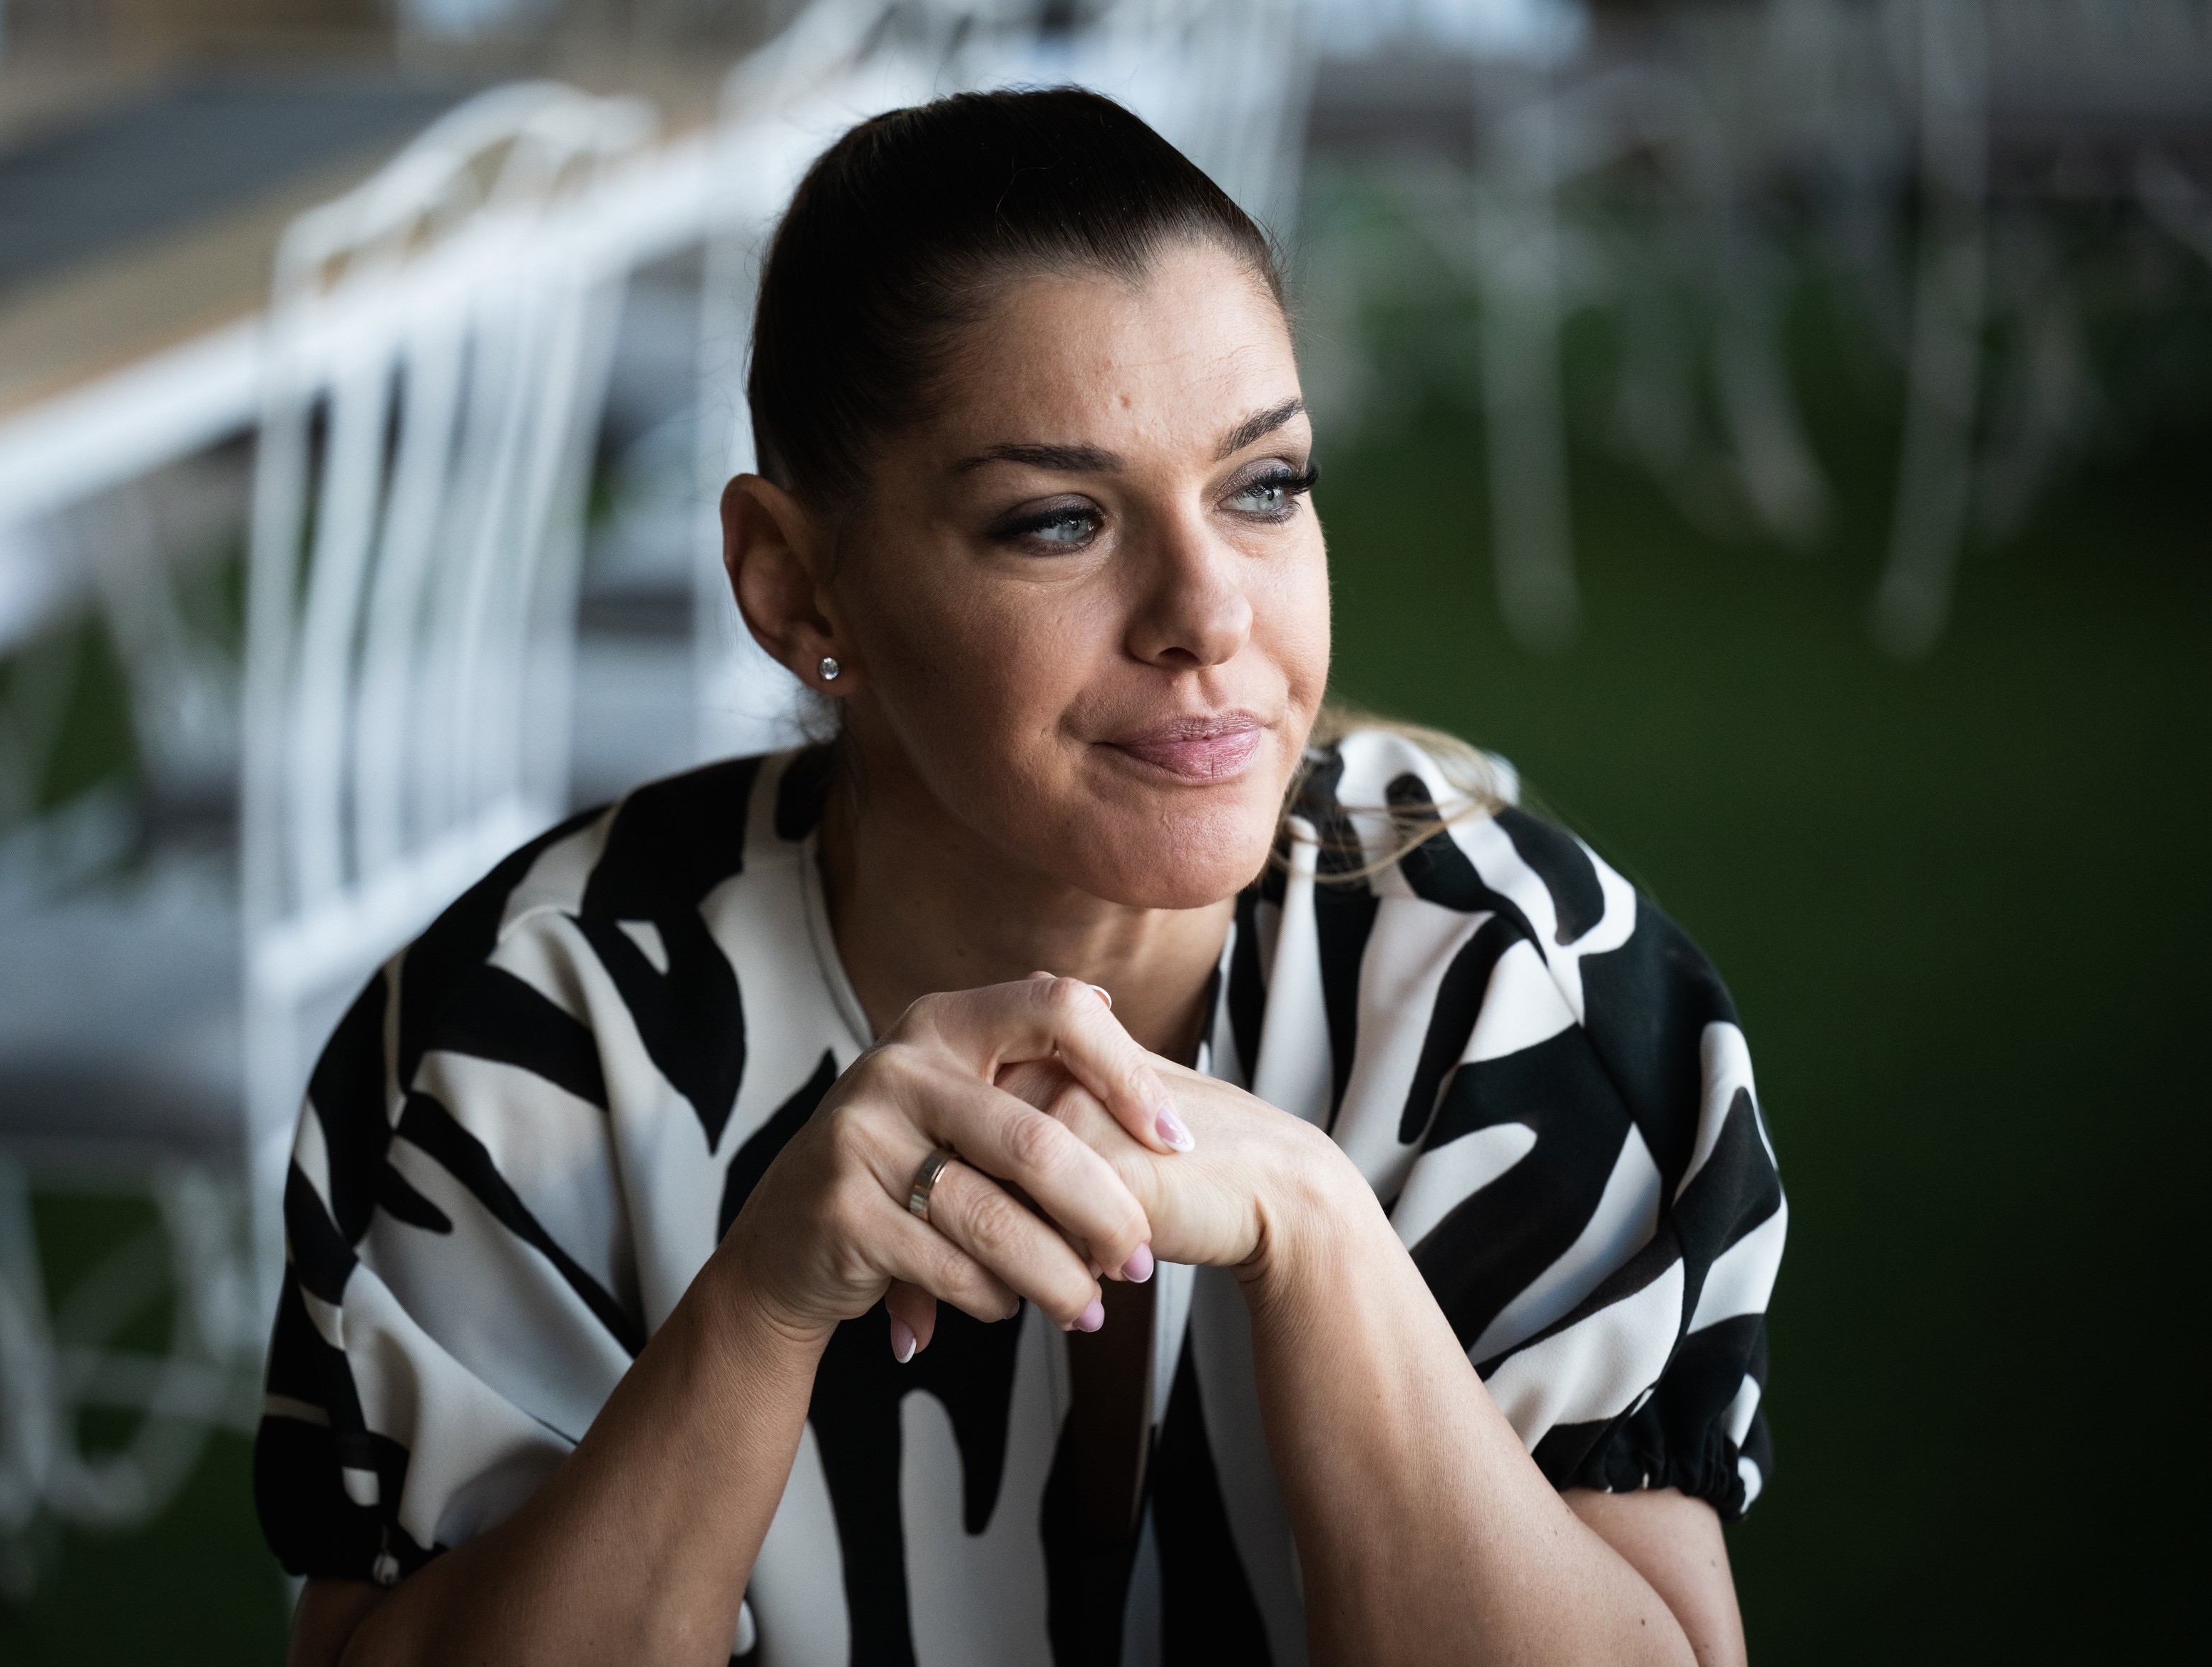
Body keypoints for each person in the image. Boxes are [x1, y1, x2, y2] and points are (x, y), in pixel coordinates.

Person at [257, 88, 1784, 1667]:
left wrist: (1320, 1230)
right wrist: (757, 1306)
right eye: (1059, 521)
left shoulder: (1517, 991)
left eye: (1264, 484)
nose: (1209, 612)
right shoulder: (531, 1037)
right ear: (795, 587)